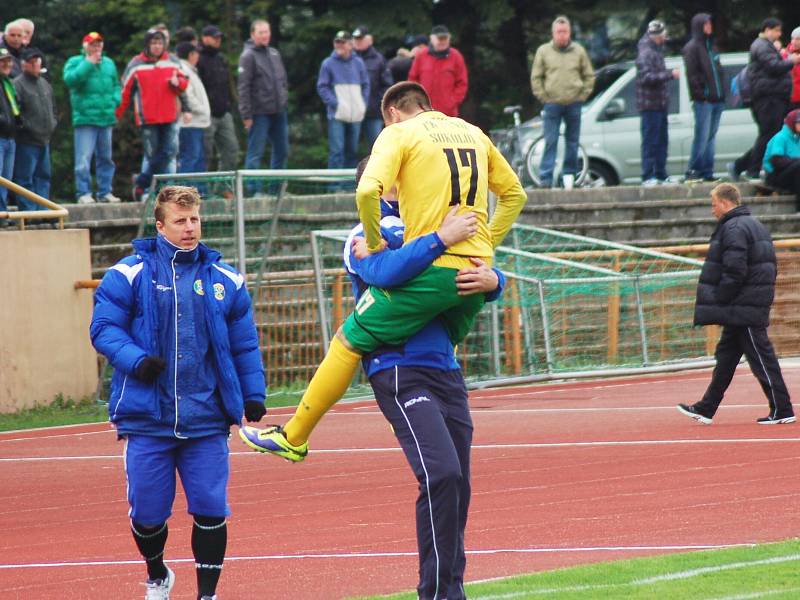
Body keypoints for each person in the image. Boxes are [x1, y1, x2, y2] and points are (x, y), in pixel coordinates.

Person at [239, 81, 526, 462]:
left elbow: (367, 198)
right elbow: (515, 195)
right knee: (441, 345)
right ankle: (412, 419)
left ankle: (295, 435)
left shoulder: (400, 138)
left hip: (433, 282)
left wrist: (376, 239)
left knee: (348, 337)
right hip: (470, 272)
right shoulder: (472, 132)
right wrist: (487, 255)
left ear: (391, 114)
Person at [90, 185, 267, 600]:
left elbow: (244, 343)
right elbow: (103, 329)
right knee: (148, 513)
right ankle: (157, 575)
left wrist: (252, 393)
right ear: (160, 225)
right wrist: (136, 359)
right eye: (180, 221)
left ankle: (207, 594)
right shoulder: (128, 274)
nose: (189, 229)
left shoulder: (227, 279)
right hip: (148, 418)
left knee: (210, 506)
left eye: (194, 220)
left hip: (206, 418)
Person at [340, 158, 504, 600]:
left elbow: (473, 261)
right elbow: (391, 270)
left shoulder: (427, 224)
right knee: (441, 473)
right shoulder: (364, 236)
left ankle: (451, 590)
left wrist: (494, 279)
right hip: (398, 368)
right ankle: (436, 594)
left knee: (458, 484)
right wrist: (439, 238)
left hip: (445, 369)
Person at [677, 183, 795, 425]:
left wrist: (721, 296)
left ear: (724, 203)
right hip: (746, 303)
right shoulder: (753, 224)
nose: (713, 210)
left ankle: (782, 409)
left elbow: (735, 269)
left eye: (713, 205)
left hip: (744, 305)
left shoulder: (734, 227)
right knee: (726, 357)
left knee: (762, 357)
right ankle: (707, 407)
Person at [118, 29, 188, 202]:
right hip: (147, 119)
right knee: (152, 155)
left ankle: (146, 184)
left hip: (170, 116)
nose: (157, 47)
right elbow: (124, 91)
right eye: (154, 43)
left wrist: (177, 83)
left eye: (160, 43)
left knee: (169, 152)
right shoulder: (136, 63)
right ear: (147, 45)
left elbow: (184, 82)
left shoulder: (172, 61)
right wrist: (116, 115)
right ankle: (150, 191)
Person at [729, 18, 799, 181]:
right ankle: (750, 169)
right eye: (777, 30)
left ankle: (741, 166)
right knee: (768, 135)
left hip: (774, 98)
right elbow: (773, 67)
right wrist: (791, 61)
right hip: (768, 99)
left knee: (770, 134)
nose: (779, 34)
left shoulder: (766, 46)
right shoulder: (761, 46)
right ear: (768, 30)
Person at [530, 15, 595, 189]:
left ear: (570, 33)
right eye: (559, 32)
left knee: (572, 142)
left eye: (565, 31)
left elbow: (589, 76)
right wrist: (544, 97)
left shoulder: (579, 51)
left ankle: (569, 176)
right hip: (552, 104)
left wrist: (582, 96)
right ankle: (546, 178)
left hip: (574, 103)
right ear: (553, 33)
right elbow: (536, 78)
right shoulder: (543, 51)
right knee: (550, 141)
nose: (562, 35)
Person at [63, 32, 121, 204]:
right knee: (83, 159)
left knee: (106, 158)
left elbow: (116, 85)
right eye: (92, 44)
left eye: (99, 44)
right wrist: (88, 64)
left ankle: (105, 192)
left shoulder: (109, 63)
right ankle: (83, 193)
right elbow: (70, 81)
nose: (96, 48)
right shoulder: (75, 62)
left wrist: (115, 101)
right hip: (85, 118)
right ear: (85, 46)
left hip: (106, 117)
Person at [238, 19, 289, 178]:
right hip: (259, 113)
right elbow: (243, 87)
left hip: (279, 111)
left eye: (267, 31)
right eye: (261, 32)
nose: (265, 35)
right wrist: (246, 114)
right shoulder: (248, 56)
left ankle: (276, 189)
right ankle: (253, 191)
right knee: (255, 152)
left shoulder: (274, 53)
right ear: (253, 34)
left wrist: (284, 99)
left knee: (282, 151)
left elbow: (283, 81)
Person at [635, 19, 680, 186]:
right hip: (649, 105)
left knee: (662, 140)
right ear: (657, 36)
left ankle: (661, 174)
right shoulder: (646, 52)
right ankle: (647, 175)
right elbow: (646, 77)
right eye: (663, 35)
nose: (665, 38)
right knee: (651, 141)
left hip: (660, 104)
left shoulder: (656, 49)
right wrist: (669, 75)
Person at [317, 30, 369, 170]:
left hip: (356, 114)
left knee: (352, 151)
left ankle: (349, 186)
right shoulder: (327, 63)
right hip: (337, 115)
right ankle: (334, 188)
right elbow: (322, 87)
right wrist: (336, 104)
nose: (339, 45)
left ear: (350, 45)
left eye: (342, 42)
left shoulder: (358, 63)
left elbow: (365, 85)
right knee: (336, 151)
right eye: (337, 42)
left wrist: (362, 104)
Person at [683, 13, 726, 183]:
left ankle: (708, 171)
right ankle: (694, 170)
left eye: (710, 23)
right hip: (704, 101)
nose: (709, 26)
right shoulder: (692, 47)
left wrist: (722, 95)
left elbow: (719, 71)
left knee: (711, 137)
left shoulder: (711, 46)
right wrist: (702, 95)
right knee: (702, 136)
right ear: (699, 26)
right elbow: (692, 76)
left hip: (717, 100)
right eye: (706, 24)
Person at [12, 47, 56, 208]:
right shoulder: (17, 84)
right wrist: (27, 127)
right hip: (27, 140)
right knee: (25, 178)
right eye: (31, 62)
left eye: (37, 61)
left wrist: (53, 124)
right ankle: (29, 211)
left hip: (45, 139)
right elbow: (17, 112)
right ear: (23, 64)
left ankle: (43, 210)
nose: (35, 64)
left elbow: (54, 109)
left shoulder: (44, 84)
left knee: (44, 176)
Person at [198, 25, 238, 175]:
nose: (218, 40)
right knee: (205, 153)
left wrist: (230, 105)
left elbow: (228, 84)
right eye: (215, 37)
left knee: (232, 150)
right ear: (205, 38)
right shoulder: (198, 59)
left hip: (224, 112)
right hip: (206, 115)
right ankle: (201, 190)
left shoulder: (221, 59)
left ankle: (223, 188)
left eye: (219, 37)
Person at [408, 25, 468, 117]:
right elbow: (412, 80)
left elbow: (462, 83)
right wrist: (418, 101)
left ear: (449, 39)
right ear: (432, 39)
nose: (442, 41)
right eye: (440, 39)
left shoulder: (456, 56)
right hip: (423, 111)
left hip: (448, 114)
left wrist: (452, 101)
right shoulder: (421, 55)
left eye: (445, 38)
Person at [352, 25, 393, 149]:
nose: (357, 42)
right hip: (351, 111)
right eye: (355, 39)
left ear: (370, 40)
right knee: (350, 148)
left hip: (373, 111)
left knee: (377, 147)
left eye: (361, 39)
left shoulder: (379, 59)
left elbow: (387, 85)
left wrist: (378, 103)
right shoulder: (348, 59)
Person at [176, 42, 210, 175]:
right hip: (190, 123)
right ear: (191, 55)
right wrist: (203, 110)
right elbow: (187, 96)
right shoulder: (184, 70)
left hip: (197, 122)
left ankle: (198, 192)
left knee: (198, 159)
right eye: (196, 53)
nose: (198, 57)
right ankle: (184, 191)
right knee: (190, 158)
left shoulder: (190, 69)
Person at [763, 108, 800, 210]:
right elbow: (776, 161)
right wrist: (796, 161)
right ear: (792, 123)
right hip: (775, 176)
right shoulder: (781, 137)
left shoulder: (798, 137)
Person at [0, 48, 19, 218]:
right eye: (2, 61)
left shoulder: (8, 83)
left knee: (6, 179)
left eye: (8, 61)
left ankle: (3, 213)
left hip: (10, 138)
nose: (6, 65)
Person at [780, 27, 800, 111]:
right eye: (792, 38)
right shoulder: (784, 55)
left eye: (798, 39)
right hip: (789, 100)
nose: (793, 42)